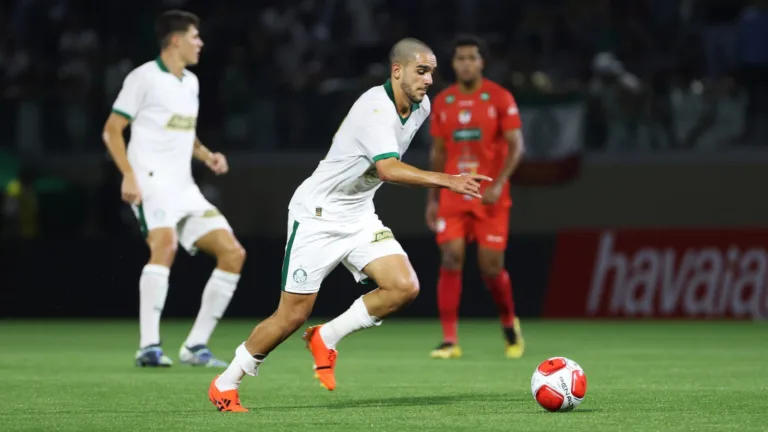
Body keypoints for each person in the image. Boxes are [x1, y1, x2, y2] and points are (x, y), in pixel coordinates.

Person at [207, 38, 490, 413]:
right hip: (317, 215)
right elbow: (387, 168)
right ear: (397, 71)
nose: (429, 80)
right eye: (421, 71)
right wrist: (449, 180)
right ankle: (225, 383)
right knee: (291, 315)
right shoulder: (374, 107)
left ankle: (327, 335)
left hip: (357, 213)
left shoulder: (421, 107)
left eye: (432, 73)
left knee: (403, 286)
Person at [102, 10, 245, 368]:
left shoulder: (191, 83)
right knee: (164, 247)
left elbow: (184, 131)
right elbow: (111, 130)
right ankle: (148, 346)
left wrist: (207, 155)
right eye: (195, 37)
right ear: (176, 40)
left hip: (185, 188)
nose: (201, 43)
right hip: (150, 181)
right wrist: (128, 174)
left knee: (233, 253)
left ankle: (196, 346)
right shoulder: (144, 77)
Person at [425, 35, 525, 360]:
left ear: (482, 61)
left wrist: (500, 183)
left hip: (490, 195)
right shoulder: (443, 102)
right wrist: (432, 198)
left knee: (490, 266)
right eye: (459, 58)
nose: (465, 63)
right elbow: (438, 153)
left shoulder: (498, 97)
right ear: (452, 64)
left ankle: (509, 323)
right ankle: (449, 340)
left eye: (471, 57)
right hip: (454, 194)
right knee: (451, 257)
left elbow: (516, 145)